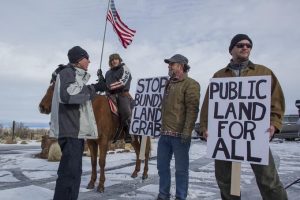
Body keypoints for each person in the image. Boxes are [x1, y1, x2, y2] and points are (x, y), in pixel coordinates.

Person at [199, 34, 288, 200]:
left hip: (255, 135)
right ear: (231, 50)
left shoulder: (264, 72)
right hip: (225, 137)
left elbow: (277, 102)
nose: (245, 47)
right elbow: (208, 106)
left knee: (268, 181)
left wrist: (274, 125)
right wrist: (204, 128)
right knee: (227, 181)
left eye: (248, 45)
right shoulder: (219, 75)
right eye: (240, 45)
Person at [50, 46, 106, 200]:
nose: (89, 61)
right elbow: (68, 95)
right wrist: (94, 88)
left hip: (74, 131)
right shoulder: (68, 72)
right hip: (70, 130)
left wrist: (95, 87)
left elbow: (77, 91)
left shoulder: (74, 74)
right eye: (87, 58)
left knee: (72, 174)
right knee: (70, 175)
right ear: (79, 59)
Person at [157, 54, 200, 200]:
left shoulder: (191, 84)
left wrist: (187, 131)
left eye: (172, 64)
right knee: (162, 167)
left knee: (181, 170)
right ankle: (163, 195)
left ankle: (180, 196)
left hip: (180, 136)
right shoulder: (168, 84)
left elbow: (192, 109)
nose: (169, 66)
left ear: (181, 66)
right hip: (164, 135)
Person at [104, 53, 132, 143]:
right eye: (112, 60)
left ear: (119, 60)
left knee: (125, 110)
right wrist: (101, 79)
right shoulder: (108, 73)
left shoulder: (125, 69)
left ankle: (128, 131)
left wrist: (108, 87)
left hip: (122, 94)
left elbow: (122, 82)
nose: (114, 61)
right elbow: (105, 84)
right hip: (109, 95)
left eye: (115, 59)